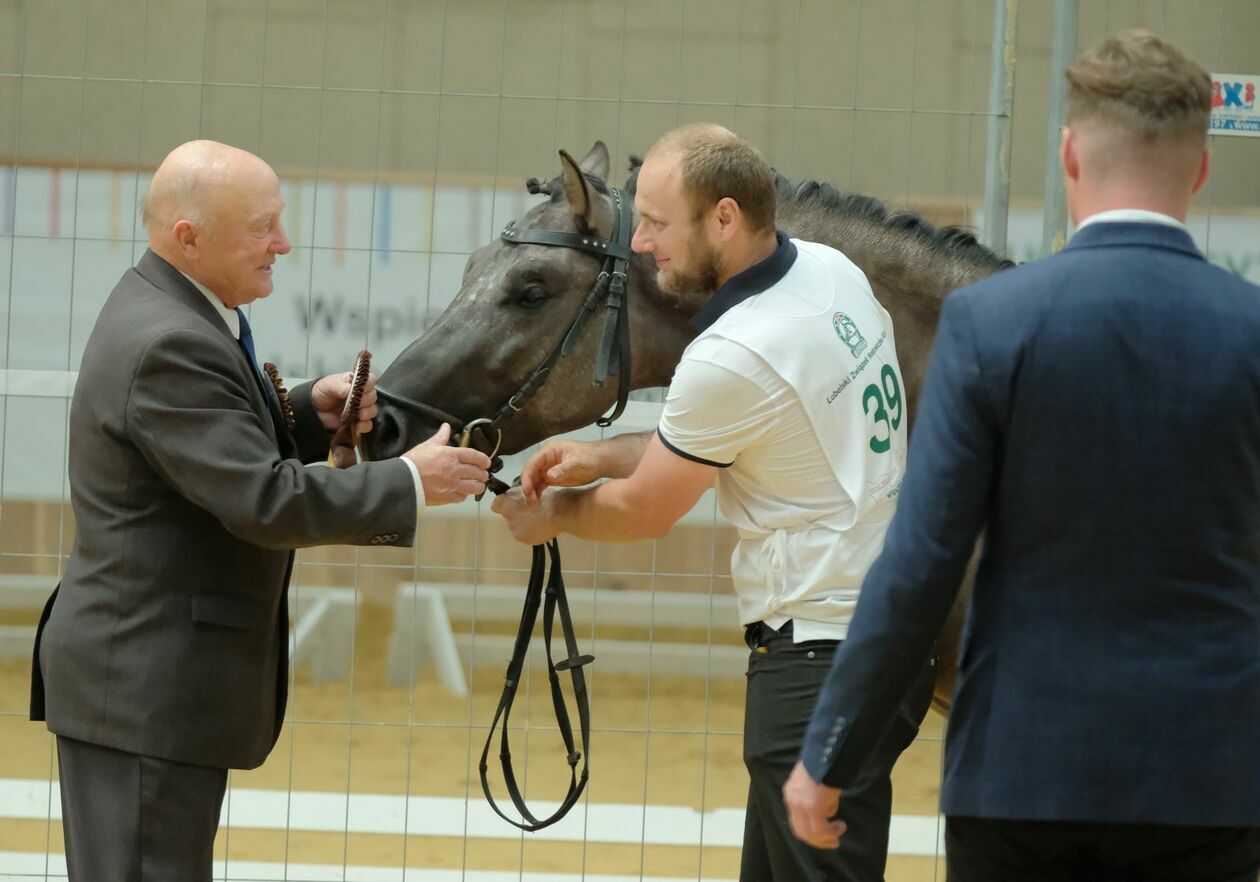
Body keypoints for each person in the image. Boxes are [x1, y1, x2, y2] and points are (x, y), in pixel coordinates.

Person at [785, 30, 1260, 882]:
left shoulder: (992, 325)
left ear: (1071, 156)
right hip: (1210, 777)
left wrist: (829, 754)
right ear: (1198, 170)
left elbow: (920, 563)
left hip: (1021, 774)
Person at [28, 140, 491, 882]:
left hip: (143, 685)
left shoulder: (176, 305)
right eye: (262, 228)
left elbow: (213, 447)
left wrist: (308, 409)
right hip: (146, 690)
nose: (284, 243)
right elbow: (263, 500)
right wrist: (409, 480)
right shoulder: (171, 340)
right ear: (190, 236)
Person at [492, 123, 934, 881]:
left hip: (818, 659)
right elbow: (756, 429)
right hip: (880, 636)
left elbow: (644, 511)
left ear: (724, 219)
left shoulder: (733, 351)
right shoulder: (829, 272)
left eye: (658, 223)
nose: (641, 244)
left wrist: (555, 517)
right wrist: (600, 454)